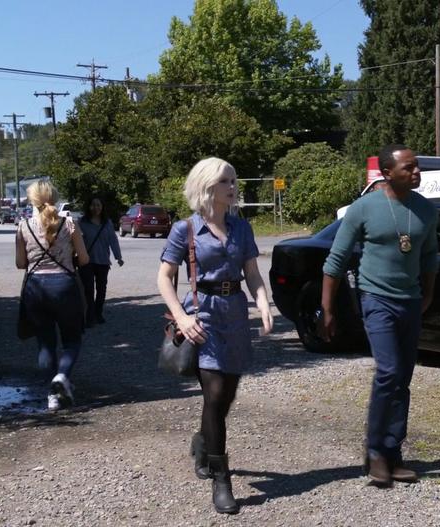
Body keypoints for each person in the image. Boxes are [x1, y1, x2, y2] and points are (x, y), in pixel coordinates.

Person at [157, 157, 273, 515]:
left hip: (234, 314)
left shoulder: (242, 228)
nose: (233, 186)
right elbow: (164, 277)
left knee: (226, 398)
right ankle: (222, 480)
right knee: (215, 392)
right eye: (227, 181)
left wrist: (264, 304)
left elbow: (252, 273)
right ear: (208, 186)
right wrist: (181, 316)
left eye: (234, 180)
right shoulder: (185, 229)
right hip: (200, 316)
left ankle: (202, 440)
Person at [320, 144, 438, 487]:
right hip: (376, 299)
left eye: (417, 167)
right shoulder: (363, 208)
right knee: (388, 371)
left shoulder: (426, 211)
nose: (416, 172)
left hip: (411, 301)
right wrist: (327, 309)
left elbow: (429, 257)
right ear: (387, 173)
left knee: (403, 377)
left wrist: (427, 294)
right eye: (409, 168)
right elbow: (336, 260)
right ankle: (374, 452)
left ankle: (392, 451)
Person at [15, 180, 90, 411]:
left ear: (32, 200)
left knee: (45, 344)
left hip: (35, 288)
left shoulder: (23, 225)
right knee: (72, 339)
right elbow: (85, 259)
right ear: (55, 198)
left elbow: (20, 264)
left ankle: (53, 396)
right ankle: (62, 377)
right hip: (64, 286)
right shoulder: (69, 224)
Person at [78, 197, 124, 327]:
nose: (96, 207)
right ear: (89, 207)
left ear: (102, 207)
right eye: (93, 205)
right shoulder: (82, 222)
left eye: (98, 205)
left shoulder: (107, 223)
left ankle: (98, 313)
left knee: (101, 289)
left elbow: (113, 240)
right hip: (87, 261)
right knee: (88, 289)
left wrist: (118, 257)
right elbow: (74, 240)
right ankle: (90, 316)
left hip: (103, 261)